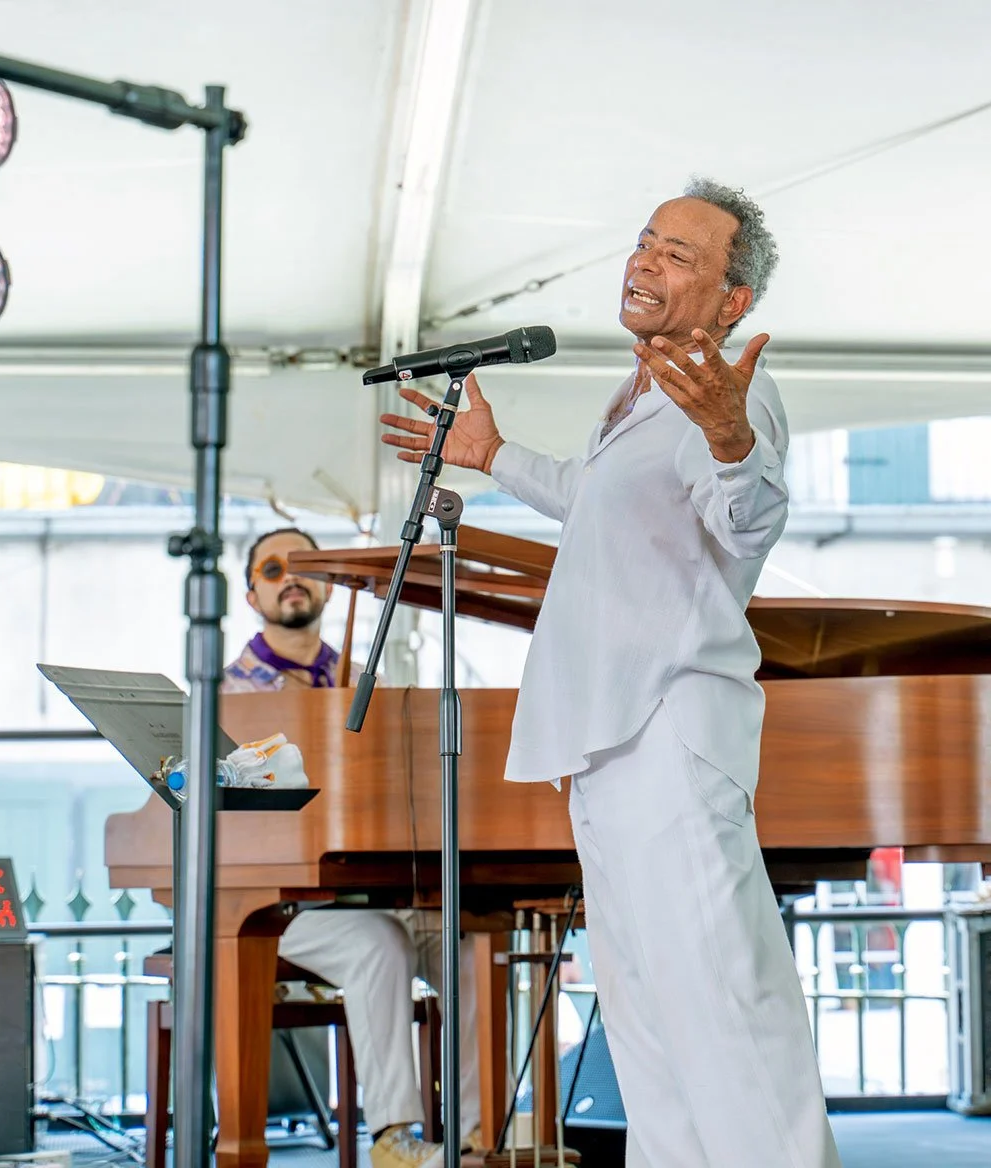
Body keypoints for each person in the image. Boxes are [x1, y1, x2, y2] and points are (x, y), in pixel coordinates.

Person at [381, 178, 843, 1168]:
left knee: (722, 1004)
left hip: (668, 733)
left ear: (732, 301)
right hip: (608, 741)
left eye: (679, 255)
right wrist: (493, 455)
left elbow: (747, 521)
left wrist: (731, 440)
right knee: (645, 1019)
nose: (644, 262)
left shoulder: (731, 395)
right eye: (644, 242)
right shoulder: (639, 392)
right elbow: (597, 500)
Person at [222, 526, 482, 1168]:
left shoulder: (366, 685)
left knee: (469, 948)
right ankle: (394, 1137)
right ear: (252, 595)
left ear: (329, 588)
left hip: (367, 891)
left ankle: (479, 1135)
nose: (291, 578)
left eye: (304, 567)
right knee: (378, 943)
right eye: (274, 568)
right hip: (273, 907)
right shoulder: (226, 693)